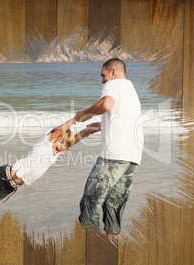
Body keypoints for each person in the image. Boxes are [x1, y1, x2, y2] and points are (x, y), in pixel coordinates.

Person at [74, 58, 144, 243]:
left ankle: (88, 249)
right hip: (133, 156)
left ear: (113, 72)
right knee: (114, 203)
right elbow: (120, 120)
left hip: (114, 155)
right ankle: (111, 246)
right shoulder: (130, 89)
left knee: (91, 200)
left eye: (103, 75)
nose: (102, 80)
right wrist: (94, 126)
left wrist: (85, 113)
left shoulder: (114, 84)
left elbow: (106, 105)